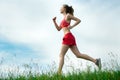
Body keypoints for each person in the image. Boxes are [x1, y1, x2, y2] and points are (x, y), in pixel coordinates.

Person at [52, 4, 101, 74]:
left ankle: (58, 74)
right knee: (78, 55)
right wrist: (54, 21)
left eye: (61, 7)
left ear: (64, 8)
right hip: (70, 37)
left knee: (61, 55)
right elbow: (58, 29)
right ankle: (96, 61)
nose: (60, 8)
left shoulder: (68, 15)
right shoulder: (63, 19)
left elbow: (78, 20)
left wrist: (71, 26)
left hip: (68, 37)